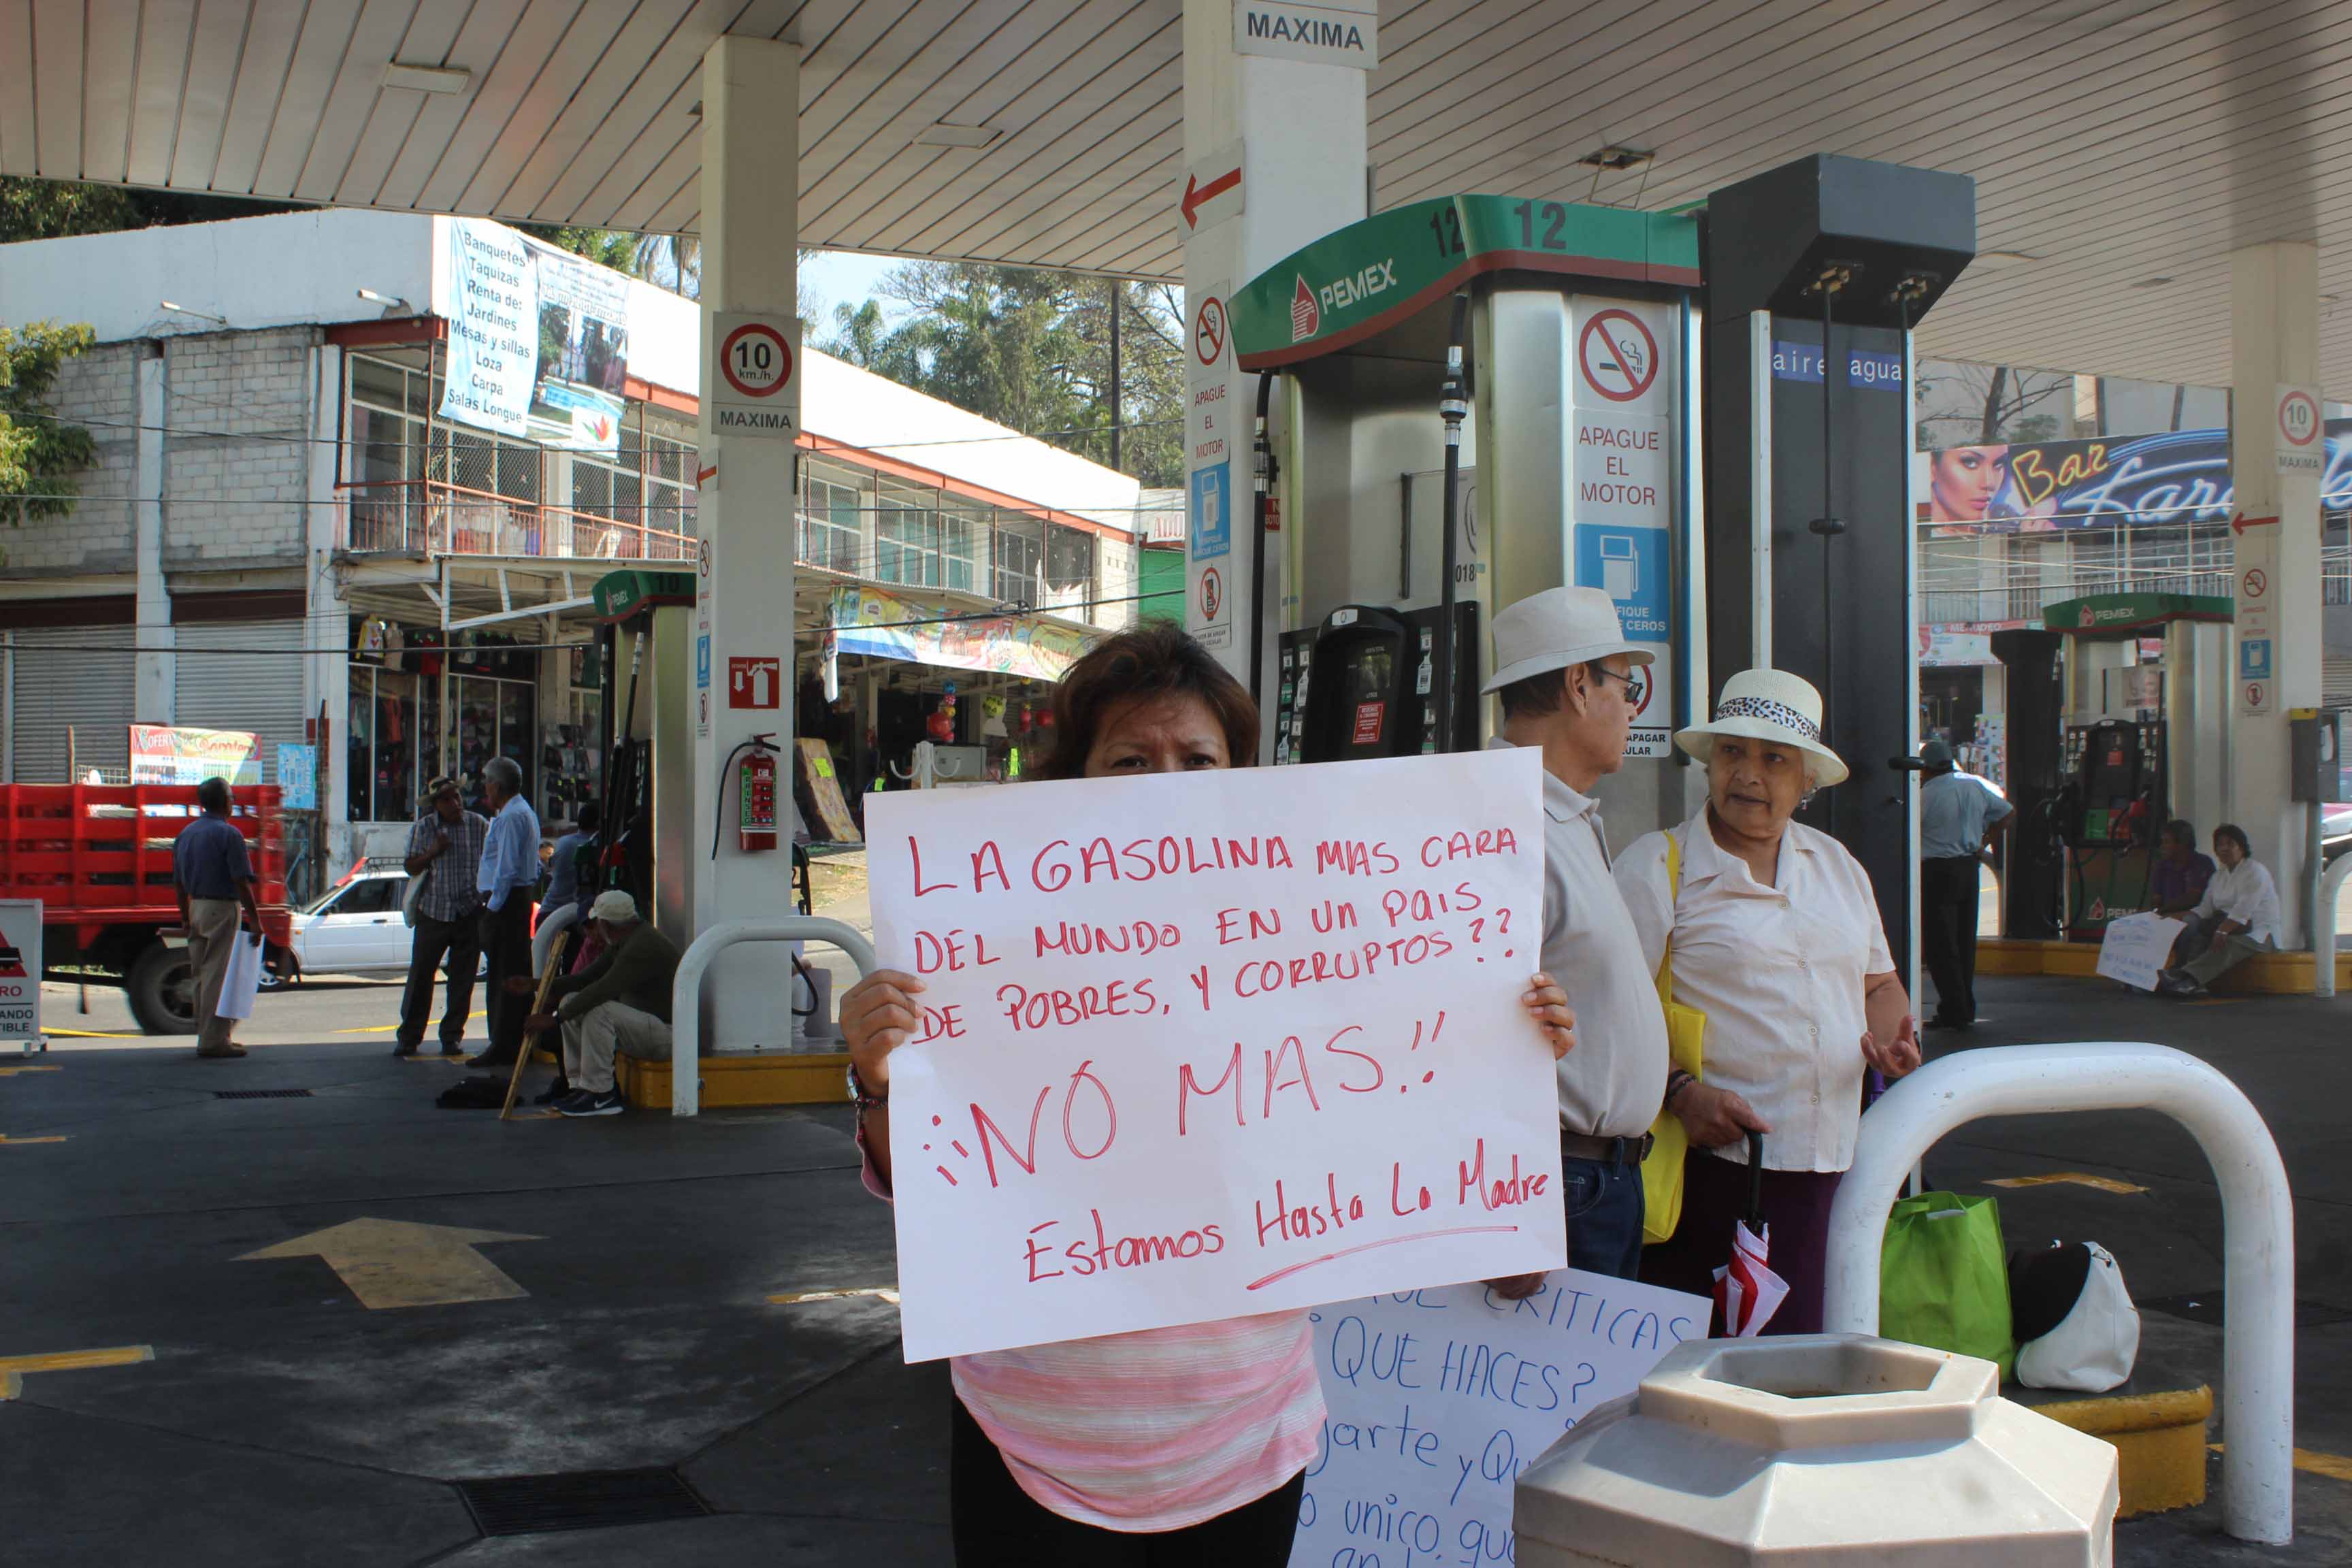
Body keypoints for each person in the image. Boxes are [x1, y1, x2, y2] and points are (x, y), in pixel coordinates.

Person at [835, 622, 1575, 1565]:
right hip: (1034, 1435)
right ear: (1075, 778)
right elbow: (931, 1187)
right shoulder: (984, 939)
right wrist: (875, 1075)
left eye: (1197, 758)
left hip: (1244, 1432)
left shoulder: (1309, 935)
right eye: (1130, 760)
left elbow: (1409, 1103)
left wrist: (1504, 1036)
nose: (1167, 785)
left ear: (1241, 776)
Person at [1616, 669, 1921, 1335]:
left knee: (1806, 1362)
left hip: (1833, 1171)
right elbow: (1611, 1014)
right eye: (1732, 752)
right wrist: (1680, 1093)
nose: (1747, 774)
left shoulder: (1837, 866)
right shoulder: (1657, 867)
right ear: (1708, 764)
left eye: (1773, 758)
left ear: (1806, 779)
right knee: (1705, 1381)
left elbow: (1877, 982)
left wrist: (1896, 1042)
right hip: (1712, 1170)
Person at [1477, 587, 1668, 1292]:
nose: (1632, 708)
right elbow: (1461, 1038)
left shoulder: (1566, 814)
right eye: (1628, 685)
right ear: (1579, 687)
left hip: (1595, 1179)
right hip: (1556, 1181)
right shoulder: (1501, 821)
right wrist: (1508, 1210)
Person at [514, 889, 678, 1118]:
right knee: (571, 1001)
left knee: (599, 1010)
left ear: (607, 925)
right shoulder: (625, 939)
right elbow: (585, 979)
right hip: (646, 1028)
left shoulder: (641, 947)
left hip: (667, 1036)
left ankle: (602, 1094)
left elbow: (602, 989)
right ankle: (581, 1086)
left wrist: (554, 1020)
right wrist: (535, 984)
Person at [1917, 738, 2012, 1030]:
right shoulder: (1973, 785)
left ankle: (1953, 1010)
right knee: (1964, 940)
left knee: (1940, 944)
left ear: (1925, 768)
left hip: (1937, 871)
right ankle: (1966, 1006)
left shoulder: (1925, 794)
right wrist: (1985, 839)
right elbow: (2007, 813)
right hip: (1968, 868)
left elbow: (1908, 827)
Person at [172, 777, 263, 1060]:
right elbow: (241, 881)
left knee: (202, 973)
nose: (233, 803)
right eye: (232, 798)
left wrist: (185, 917)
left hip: (196, 906)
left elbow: (178, 882)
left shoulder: (186, 834)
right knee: (218, 975)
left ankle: (212, 1035)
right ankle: (213, 1042)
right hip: (221, 908)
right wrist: (256, 920)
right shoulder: (229, 835)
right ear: (226, 803)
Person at [396, 776, 488, 1058]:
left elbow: (490, 861)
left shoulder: (477, 825)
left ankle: (451, 1036)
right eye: (447, 799)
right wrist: (433, 852)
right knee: (421, 976)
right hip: (434, 912)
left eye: (457, 797)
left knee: (462, 979)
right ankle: (409, 1037)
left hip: (469, 912)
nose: (455, 803)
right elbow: (410, 867)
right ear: (436, 805)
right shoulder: (425, 828)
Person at [471, 756, 541, 1069]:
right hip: (510, 900)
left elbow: (507, 868)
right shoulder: (514, 813)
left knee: (506, 974)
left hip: (508, 902)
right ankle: (506, 1041)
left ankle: (505, 1044)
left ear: (497, 785)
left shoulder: (513, 816)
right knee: (506, 971)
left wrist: (493, 907)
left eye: (487, 782)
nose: (485, 789)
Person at [2159, 824, 2281, 998]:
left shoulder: (2255, 871)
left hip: (2258, 934)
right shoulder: (2219, 876)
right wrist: (2177, 918)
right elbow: (2205, 908)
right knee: (2195, 933)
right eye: (2219, 845)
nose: (2224, 849)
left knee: (2228, 944)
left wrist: (2223, 930)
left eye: (2229, 844)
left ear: (2241, 847)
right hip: (2227, 926)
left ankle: (2185, 978)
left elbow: (2244, 909)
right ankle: (2193, 984)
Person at [532, 802, 601, 977]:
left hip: (549, 912)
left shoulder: (564, 842)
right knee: (573, 971)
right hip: (579, 918)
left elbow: (553, 867)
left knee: (546, 973)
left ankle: (547, 1003)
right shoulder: (597, 846)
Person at [2149, 819, 2217, 967]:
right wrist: (2153, 914)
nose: (2162, 847)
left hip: (2196, 915)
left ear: (2182, 844)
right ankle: (2137, 978)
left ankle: (2180, 971)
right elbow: (2156, 899)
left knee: (2187, 924)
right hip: (2167, 915)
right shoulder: (2162, 866)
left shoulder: (2202, 863)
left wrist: (2163, 912)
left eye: (2167, 842)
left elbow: (2193, 898)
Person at [1927, 444, 2010, 530]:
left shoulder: (2009, 522)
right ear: (1933, 467)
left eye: (1998, 465)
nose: (1990, 484)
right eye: (1970, 463)